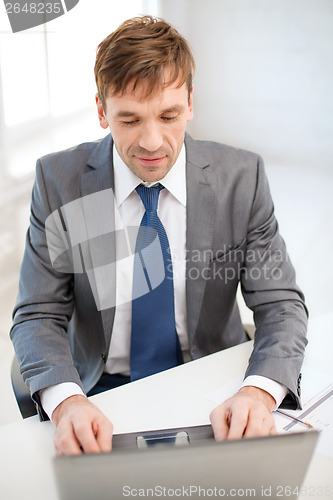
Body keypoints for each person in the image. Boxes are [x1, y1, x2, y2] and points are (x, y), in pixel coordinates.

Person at [10, 15, 307, 456]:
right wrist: (67, 401)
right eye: (129, 120)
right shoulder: (60, 181)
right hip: (99, 393)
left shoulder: (240, 179)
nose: (152, 142)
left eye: (168, 115)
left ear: (190, 103)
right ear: (100, 111)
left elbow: (281, 305)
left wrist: (258, 392)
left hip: (213, 389)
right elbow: (37, 313)